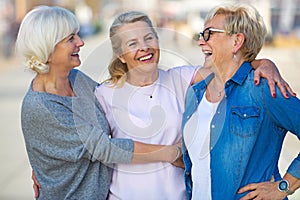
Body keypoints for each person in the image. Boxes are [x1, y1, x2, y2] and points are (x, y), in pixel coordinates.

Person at [94, 11, 295, 199]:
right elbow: (99, 149)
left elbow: (231, 67)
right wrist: (168, 153)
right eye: (132, 43)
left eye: (148, 38)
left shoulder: (183, 79)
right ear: (120, 55)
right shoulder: (103, 94)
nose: (144, 47)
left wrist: (264, 63)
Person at [16, 6, 183, 199]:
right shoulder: (40, 105)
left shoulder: (76, 79)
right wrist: (172, 152)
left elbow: (113, 100)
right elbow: (104, 148)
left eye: (77, 35)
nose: (80, 42)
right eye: (71, 38)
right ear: (48, 47)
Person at [182, 3, 300, 200]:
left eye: (208, 34)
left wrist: (283, 187)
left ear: (236, 41)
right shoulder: (195, 93)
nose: (201, 42)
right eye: (201, 35)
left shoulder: (264, 89)